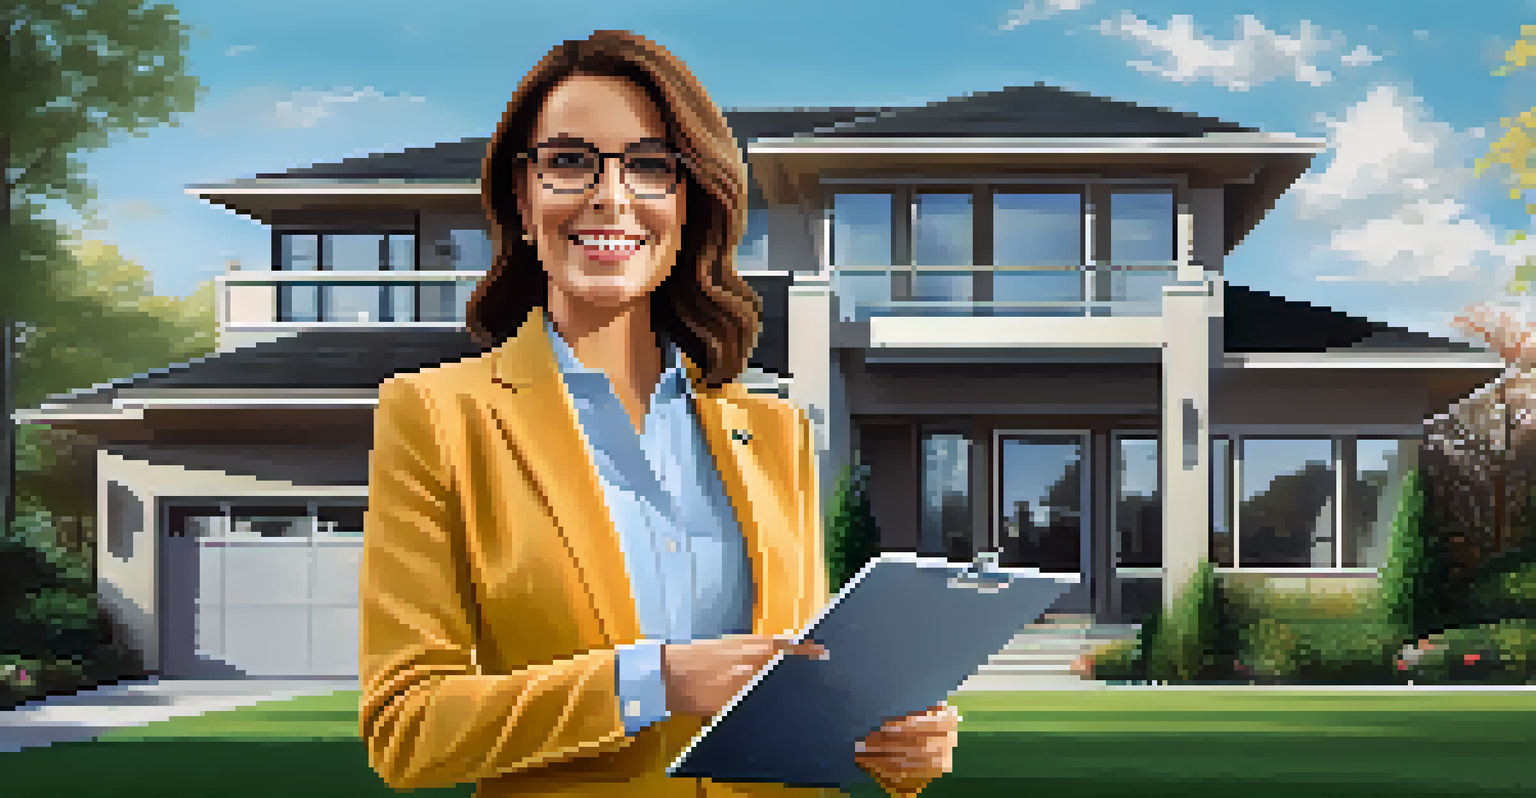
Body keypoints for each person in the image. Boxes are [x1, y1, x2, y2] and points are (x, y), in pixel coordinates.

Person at [359, 30, 959, 798]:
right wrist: (652, 681)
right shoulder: (439, 418)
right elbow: (406, 728)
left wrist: (892, 741)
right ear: (522, 193)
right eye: (571, 161)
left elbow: (803, 693)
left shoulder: (775, 433)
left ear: (689, 198)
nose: (611, 196)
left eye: (649, 166)